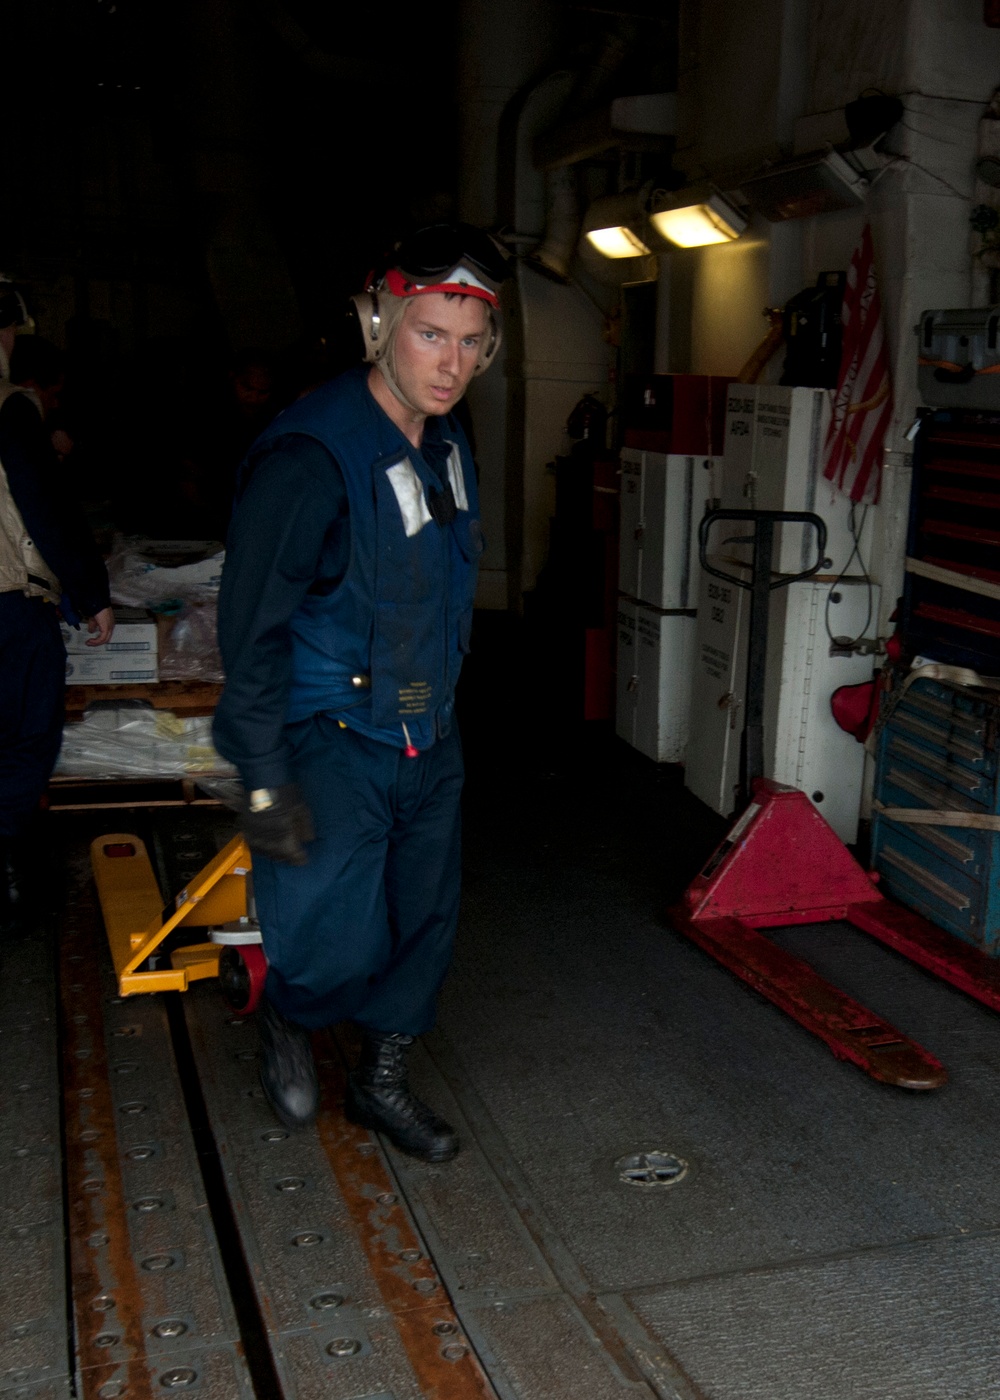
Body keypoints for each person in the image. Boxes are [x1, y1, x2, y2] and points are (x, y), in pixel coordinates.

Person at [213, 224, 508, 1160]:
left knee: (423, 920)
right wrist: (261, 782)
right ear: (381, 324)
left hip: (429, 738)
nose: (451, 363)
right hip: (330, 738)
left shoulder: (450, 442)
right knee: (328, 930)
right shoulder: (308, 458)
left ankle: (382, 1080)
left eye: (470, 343)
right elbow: (250, 634)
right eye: (431, 334)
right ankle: (288, 1015)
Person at [0, 276, 114, 930]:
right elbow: (44, 507)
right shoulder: (11, 408)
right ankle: (12, 890)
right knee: (21, 739)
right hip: (10, 610)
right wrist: (90, 591)